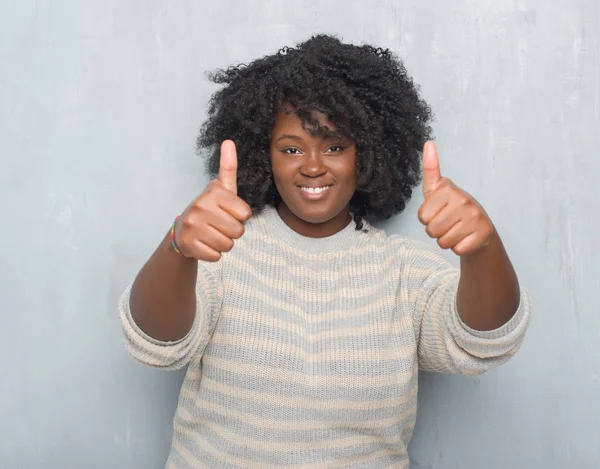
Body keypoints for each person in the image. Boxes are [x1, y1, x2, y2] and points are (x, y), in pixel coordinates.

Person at [119, 34, 531, 469]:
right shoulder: (222, 250)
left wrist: (483, 249)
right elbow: (155, 345)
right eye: (291, 148)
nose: (313, 166)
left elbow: (484, 342)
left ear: (368, 154)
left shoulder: (401, 270)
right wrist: (177, 248)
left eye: (334, 146)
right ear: (264, 155)